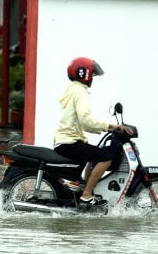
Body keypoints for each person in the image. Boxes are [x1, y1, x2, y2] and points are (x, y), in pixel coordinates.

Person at [53, 57, 133, 207]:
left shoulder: (73, 89)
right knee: (106, 158)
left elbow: (83, 123)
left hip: (65, 141)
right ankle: (87, 195)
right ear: (85, 74)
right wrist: (112, 126)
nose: (93, 78)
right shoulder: (80, 92)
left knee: (94, 154)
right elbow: (86, 120)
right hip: (69, 142)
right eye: (92, 74)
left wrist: (104, 127)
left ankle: (86, 189)